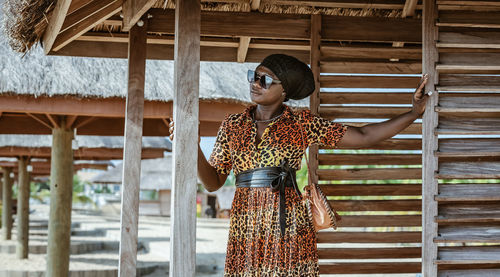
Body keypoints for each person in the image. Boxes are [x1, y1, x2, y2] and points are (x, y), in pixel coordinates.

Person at [169, 54, 428, 276]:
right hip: (245, 226)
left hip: (289, 223)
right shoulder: (232, 124)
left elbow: (363, 135)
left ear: (284, 91)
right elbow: (213, 182)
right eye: (253, 75)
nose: (255, 83)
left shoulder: (301, 123)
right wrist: (190, 145)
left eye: (265, 80)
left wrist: (414, 113)